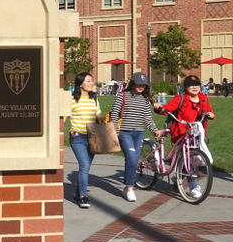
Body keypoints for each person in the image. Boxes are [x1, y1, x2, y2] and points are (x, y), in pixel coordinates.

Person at [155, 74, 215, 199]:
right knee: (190, 160)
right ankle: (193, 187)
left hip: (197, 133)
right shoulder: (181, 98)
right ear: (186, 87)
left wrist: (210, 114)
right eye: (191, 85)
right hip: (182, 133)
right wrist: (159, 108)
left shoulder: (204, 99)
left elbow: (210, 111)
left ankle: (179, 176)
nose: (194, 88)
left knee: (195, 159)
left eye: (197, 85)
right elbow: (167, 109)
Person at [110, 72, 167, 202]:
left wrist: (154, 130)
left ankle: (127, 186)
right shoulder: (122, 96)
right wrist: (117, 131)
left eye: (144, 85)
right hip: (125, 132)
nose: (141, 87)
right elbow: (114, 114)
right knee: (131, 158)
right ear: (133, 83)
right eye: (138, 84)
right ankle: (130, 188)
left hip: (139, 133)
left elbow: (147, 117)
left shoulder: (145, 99)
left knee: (134, 160)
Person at [69, 72, 101, 209]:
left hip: (92, 137)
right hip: (77, 136)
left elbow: (97, 115)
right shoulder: (72, 99)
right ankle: (83, 196)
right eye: (88, 81)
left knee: (86, 167)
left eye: (91, 80)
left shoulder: (94, 98)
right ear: (80, 83)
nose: (91, 83)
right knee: (84, 166)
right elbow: (64, 116)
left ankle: (77, 193)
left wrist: (105, 118)